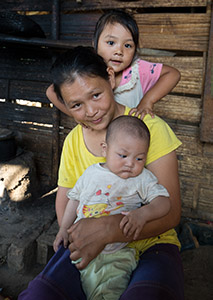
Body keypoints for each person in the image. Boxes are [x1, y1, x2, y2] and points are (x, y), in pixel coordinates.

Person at [18, 46, 184, 300]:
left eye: (96, 95)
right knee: (40, 294)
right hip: (90, 244)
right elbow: (66, 197)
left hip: (152, 242)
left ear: (110, 76)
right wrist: (70, 232)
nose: (91, 111)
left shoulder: (149, 129)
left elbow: (171, 213)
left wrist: (109, 229)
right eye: (76, 105)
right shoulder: (74, 140)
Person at [53, 115, 171, 299]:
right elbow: (74, 200)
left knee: (109, 292)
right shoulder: (91, 173)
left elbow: (164, 202)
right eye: (122, 155)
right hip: (82, 248)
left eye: (139, 158)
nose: (130, 163)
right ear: (105, 149)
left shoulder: (141, 179)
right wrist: (63, 229)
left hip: (117, 254)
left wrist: (143, 214)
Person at [46, 9, 180, 119]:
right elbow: (51, 91)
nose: (119, 51)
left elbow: (173, 74)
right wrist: (79, 117)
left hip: (131, 144)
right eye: (111, 43)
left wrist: (147, 101)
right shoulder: (88, 71)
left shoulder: (138, 70)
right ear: (95, 43)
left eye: (128, 45)